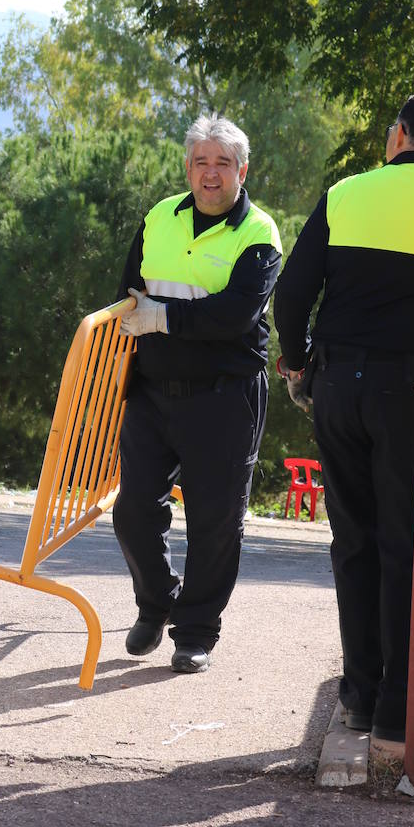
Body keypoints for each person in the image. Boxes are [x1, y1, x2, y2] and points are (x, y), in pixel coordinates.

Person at [273, 90, 414, 743]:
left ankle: (361, 696)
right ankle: (399, 706)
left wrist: (297, 363)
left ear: (399, 135)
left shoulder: (346, 194)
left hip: (338, 385)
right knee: (404, 545)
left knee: (354, 543)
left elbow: (292, 293)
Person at [113, 113, 282, 673]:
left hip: (224, 397)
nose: (211, 174)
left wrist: (163, 319)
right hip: (152, 392)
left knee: (214, 521)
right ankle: (156, 601)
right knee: (133, 511)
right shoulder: (159, 216)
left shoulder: (259, 233)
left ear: (243, 170)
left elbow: (236, 315)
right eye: (201, 162)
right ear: (187, 167)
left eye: (223, 163)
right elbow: (127, 292)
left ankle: (195, 631)